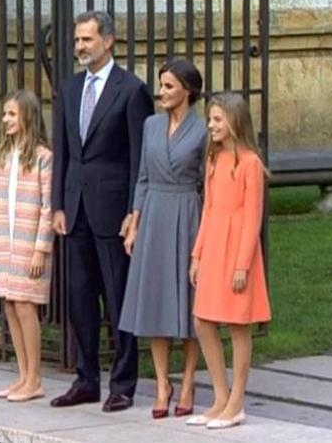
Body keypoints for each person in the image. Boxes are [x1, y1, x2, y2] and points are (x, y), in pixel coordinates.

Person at [50, 10, 154, 412]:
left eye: (87, 40)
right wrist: (58, 202)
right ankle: (86, 377)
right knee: (79, 297)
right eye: (77, 40)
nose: (80, 47)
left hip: (112, 209)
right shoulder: (70, 88)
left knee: (117, 296)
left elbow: (138, 157)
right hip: (75, 208)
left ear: (108, 41)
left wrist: (134, 210)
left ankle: (124, 382)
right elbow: (63, 149)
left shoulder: (132, 91)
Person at [118, 59, 205, 419]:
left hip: (186, 213)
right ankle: (161, 383)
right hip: (153, 212)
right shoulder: (151, 125)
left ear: (188, 89)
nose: (162, 92)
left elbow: (207, 181)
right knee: (155, 300)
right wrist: (135, 221)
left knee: (187, 301)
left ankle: (186, 381)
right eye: (161, 85)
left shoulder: (202, 130)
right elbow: (141, 176)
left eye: (169, 86)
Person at [186, 92, 271, 429]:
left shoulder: (249, 163)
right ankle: (220, 396)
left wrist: (242, 265)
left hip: (238, 249)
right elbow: (207, 210)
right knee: (202, 321)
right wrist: (197, 253)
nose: (212, 125)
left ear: (235, 122)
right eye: (211, 119)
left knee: (237, 324)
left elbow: (252, 219)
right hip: (214, 245)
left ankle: (237, 402)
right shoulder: (213, 159)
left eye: (218, 119)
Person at [0, 90, 54, 403]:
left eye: (12, 114)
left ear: (28, 116)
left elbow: (47, 206)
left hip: (28, 242)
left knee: (26, 305)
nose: (6, 120)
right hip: (5, 240)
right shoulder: (2, 155)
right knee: (10, 304)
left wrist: (41, 248)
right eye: (5, 114)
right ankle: (22, 375)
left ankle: (35, 378)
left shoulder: (43, 157)